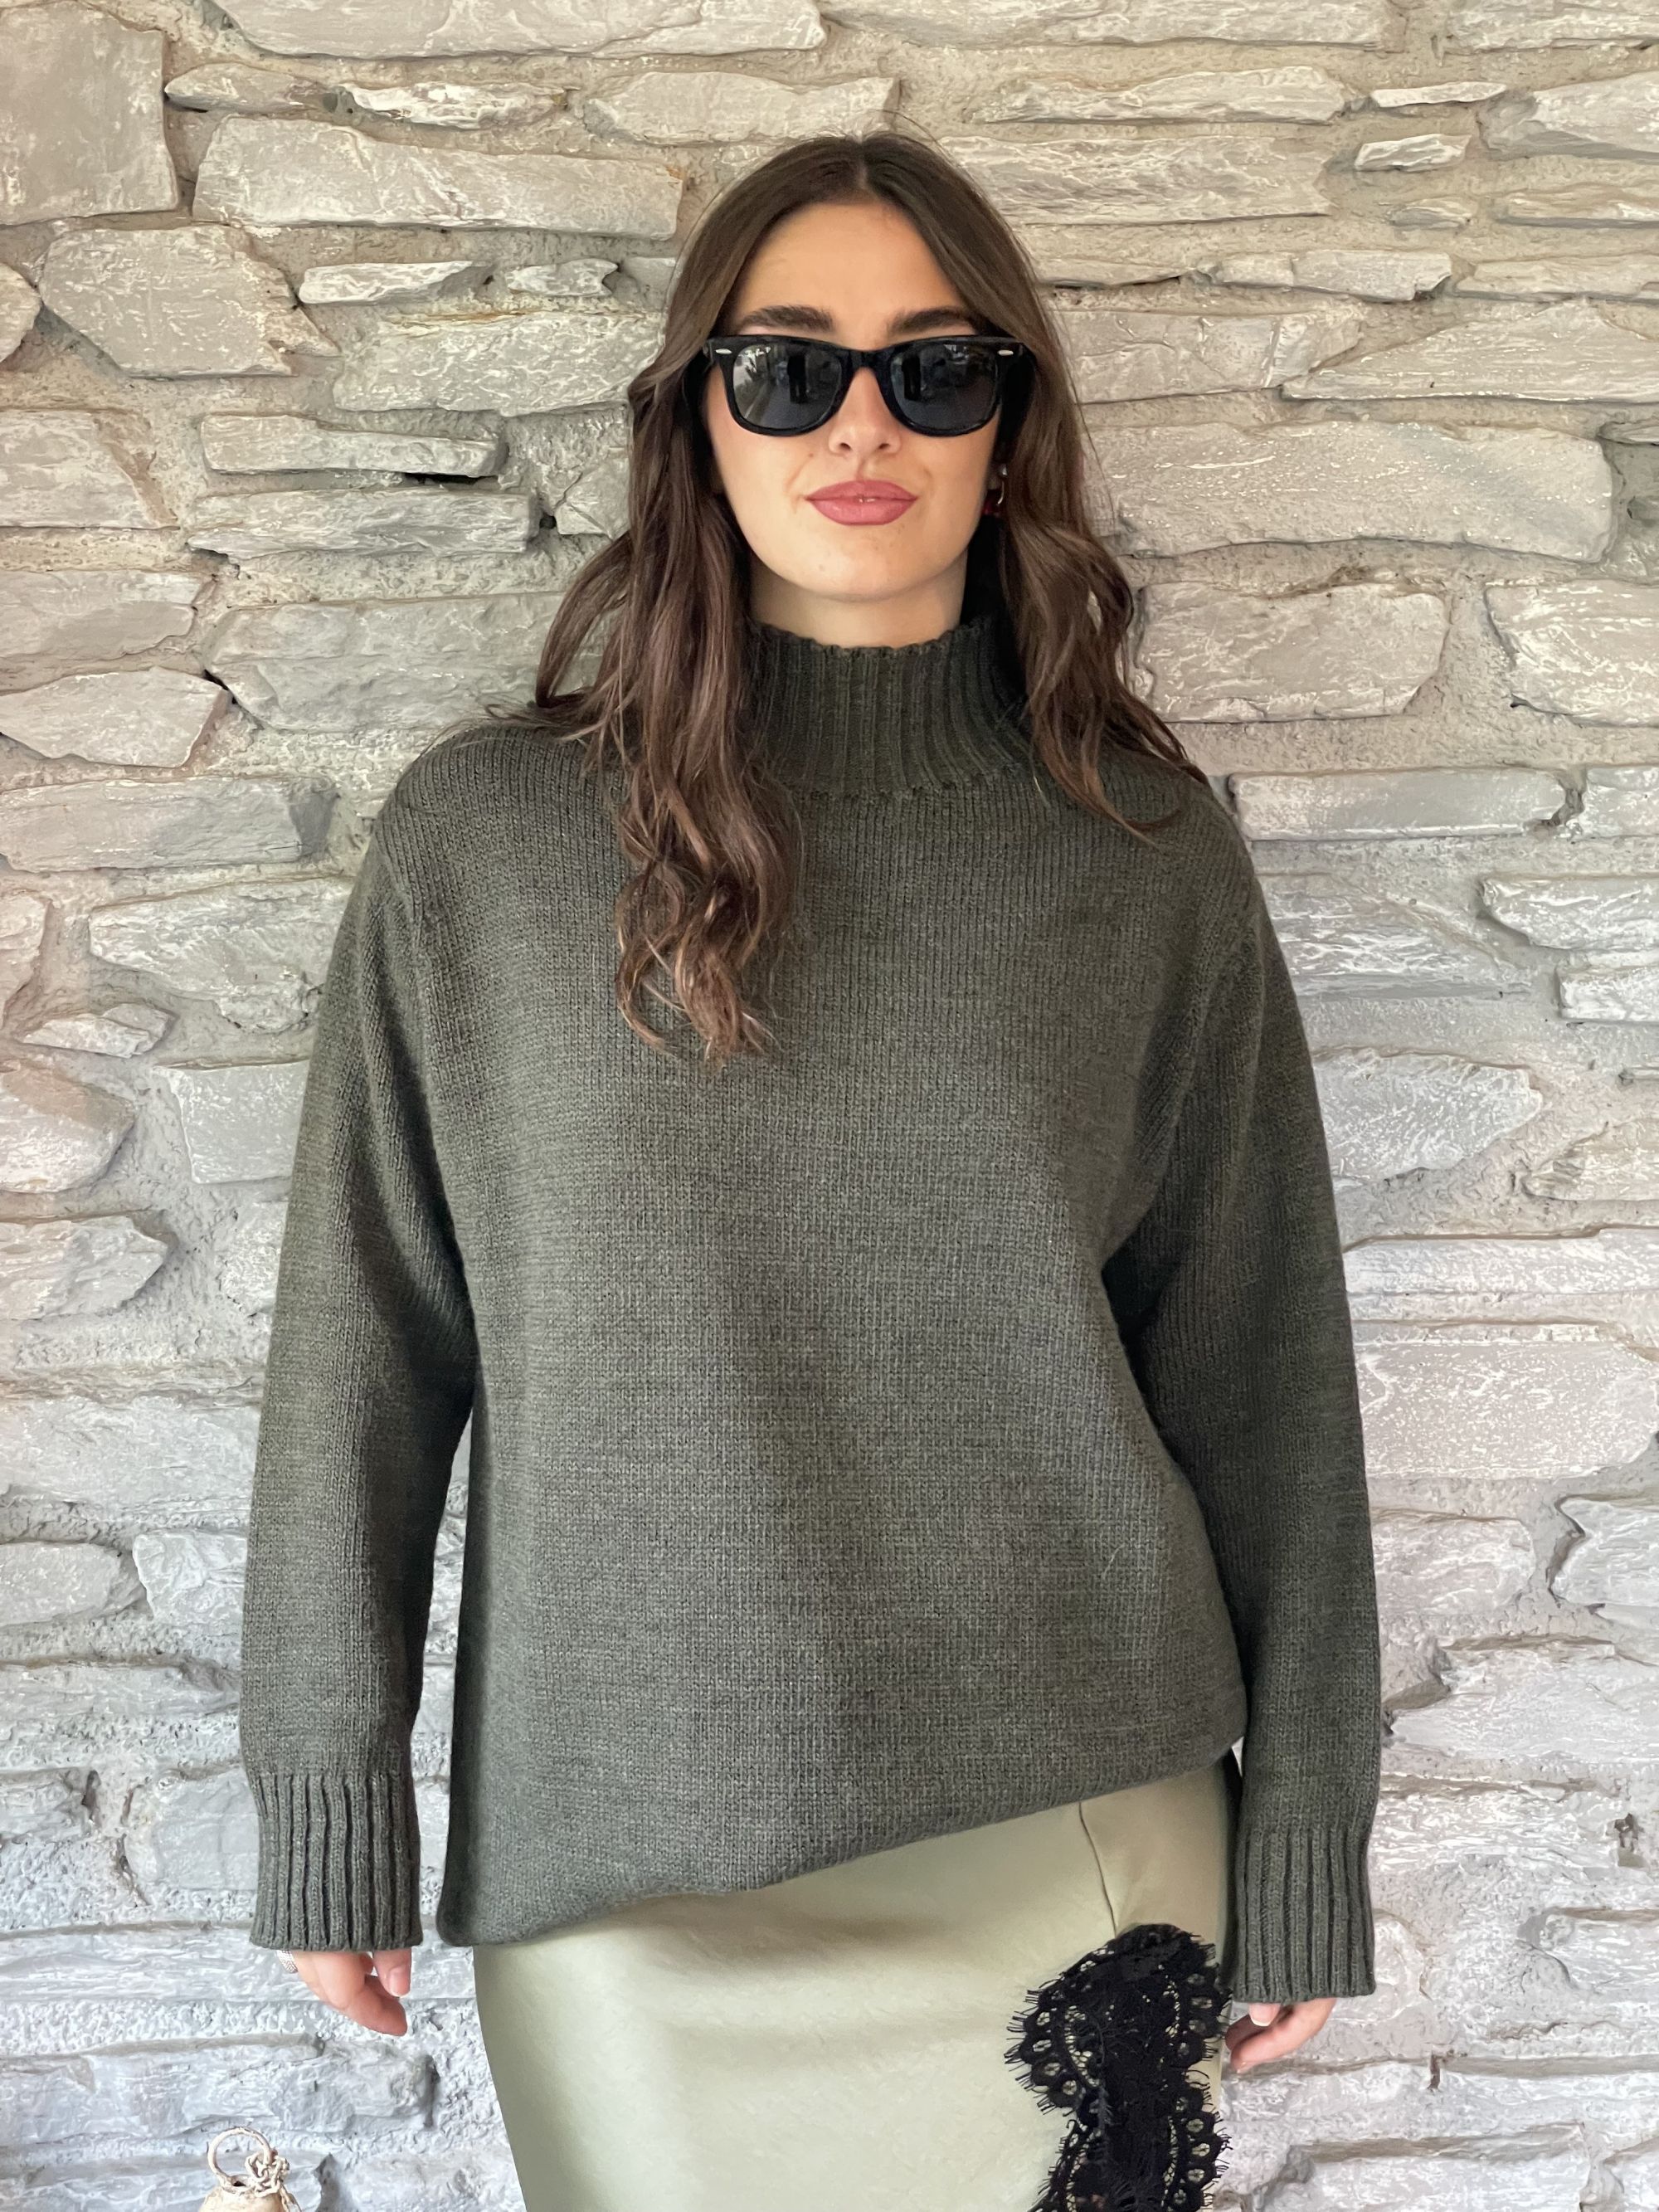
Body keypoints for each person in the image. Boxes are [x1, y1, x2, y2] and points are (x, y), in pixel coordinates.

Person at [238, 128, 1383, 2212]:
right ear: (698, 418)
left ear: (1009, 429)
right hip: (623, 1867)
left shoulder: (1137, 850)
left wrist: (1307, 1829)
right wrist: (332, 1796)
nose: (864, 425)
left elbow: (1262, 1371)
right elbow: (363, 1356)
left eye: (937, 371)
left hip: (1067, 1819)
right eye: (787, 370)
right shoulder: (486, 846)